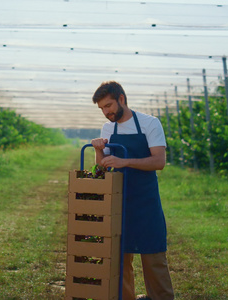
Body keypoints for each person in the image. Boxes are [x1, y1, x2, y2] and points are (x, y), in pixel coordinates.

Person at [90, 81, 175, 300]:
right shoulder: (108, 128)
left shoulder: (149, 123)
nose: (106, 112)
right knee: (120, 258)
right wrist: (99, 151)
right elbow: (104, 165)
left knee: (153, 256)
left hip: (145, 199)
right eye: (102, 109)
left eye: (108, 105)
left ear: (121, 99)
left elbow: (159, 161)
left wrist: (125, 162)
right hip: (118, 200)